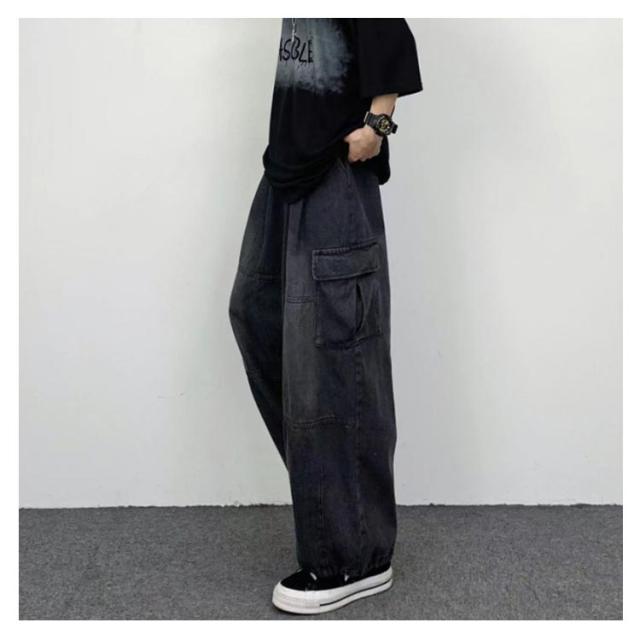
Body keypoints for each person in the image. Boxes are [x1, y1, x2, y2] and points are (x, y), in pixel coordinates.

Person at [229, 18, 422, 614]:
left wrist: (378, 125)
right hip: (284, 173)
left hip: (335, 174)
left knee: (333, 361)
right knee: (255, 314)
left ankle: (352, 556)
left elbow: (391, 37)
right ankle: (336, 502)